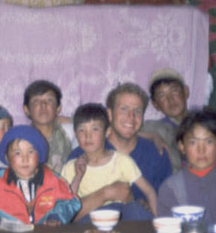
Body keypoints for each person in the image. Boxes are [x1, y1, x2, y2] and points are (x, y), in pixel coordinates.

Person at [67, 83, 172, 211]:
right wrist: (105, 194)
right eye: (124, 109)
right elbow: (67, 214)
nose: (131, 117)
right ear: (109, 115)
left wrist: (147, 209)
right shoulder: (81, 155)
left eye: (137, 111)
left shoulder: (157, 153)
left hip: (142, 227)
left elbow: (168, 204)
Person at [62, 103, 157, 221]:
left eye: (95, 129)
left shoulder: (121, 161)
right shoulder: (71, 167)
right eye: (82, 130)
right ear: (76, 135)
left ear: (107, 132)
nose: (88, 136)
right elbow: (66, 206)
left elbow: (149, 191)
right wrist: (78, 176)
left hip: (119, 214)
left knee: (135, 209)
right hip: (89, 217)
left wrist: (157, 219)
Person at [0, 125, 80, 226]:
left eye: (31, 151)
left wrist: (56, 216)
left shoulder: (52, 180)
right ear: (7, 158)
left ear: (40, 155)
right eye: (17, 153)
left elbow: (71, 201)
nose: (25, 159)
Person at [157, 108, 216, 225]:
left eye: (208, 142)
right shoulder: (170, 188)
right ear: (182, 147)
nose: (201, 150)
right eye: (193, 143)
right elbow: (168, 231)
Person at [141, 68, 190, 172]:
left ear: (186, 92)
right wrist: (152, 136)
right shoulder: (153, 128)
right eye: (161, 95)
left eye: (174, 90)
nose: (170, 99)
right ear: (155, 105)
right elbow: (122, 132)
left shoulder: (207, 121)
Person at [23, 80, 73, 173]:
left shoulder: (69, 132)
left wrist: (72, 120)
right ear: (26, 109)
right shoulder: (21, 139)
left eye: (49, 100)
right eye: (36, 101)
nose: (43, 105)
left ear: (58, 108)